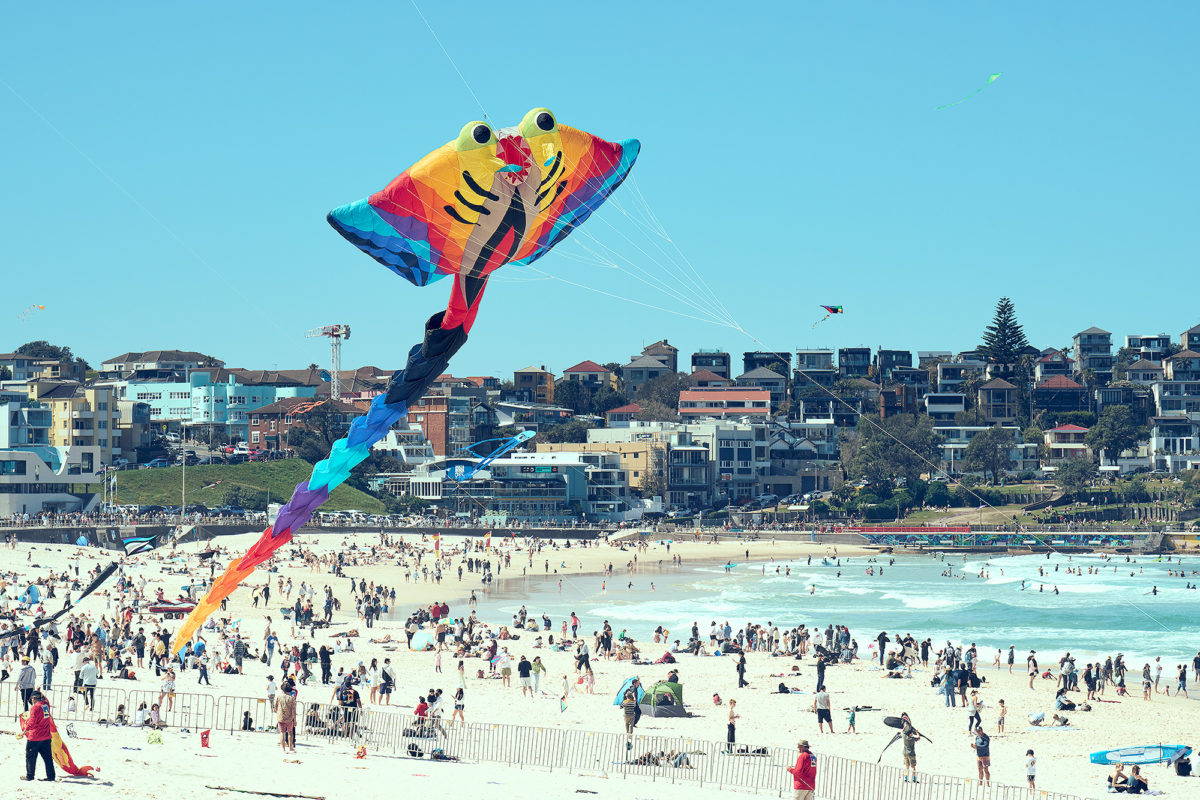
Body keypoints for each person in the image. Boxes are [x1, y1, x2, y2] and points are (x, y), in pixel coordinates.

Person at [19, 690, 55, 782]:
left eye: (32, 699)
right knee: (48, 758)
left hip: (35, 737)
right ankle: (51, 776)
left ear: (34, 699)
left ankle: (30, 776)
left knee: (30, 757)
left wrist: (24, 731)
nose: (31, 701)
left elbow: (32, 722)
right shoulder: (46, 705)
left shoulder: (35, 708)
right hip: (46, 737)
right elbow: (46, 699)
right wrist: (39, 691)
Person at [275, 680, 297, 753]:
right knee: (290, 732)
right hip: (289, 718)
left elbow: (275, 707)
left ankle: (283, 748)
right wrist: (295, 720)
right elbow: (294, 710)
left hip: (280, 717)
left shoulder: (279, 697)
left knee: (282, 733)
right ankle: (290, 747)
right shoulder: (292, 698)